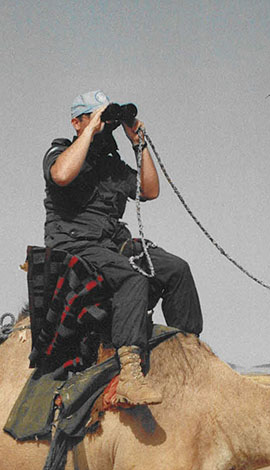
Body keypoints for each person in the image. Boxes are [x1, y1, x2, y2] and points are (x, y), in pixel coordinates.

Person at [42, 89, 203, 406]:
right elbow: (61, 175)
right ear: (77, 121)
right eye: (95, 116)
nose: (105, 125)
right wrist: (89, 130)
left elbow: (150, 191)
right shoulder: (60, 152)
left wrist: (137, 143)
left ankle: (186, 352)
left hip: (112, 242)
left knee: (176, 269)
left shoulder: (111, 164)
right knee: (132, 277)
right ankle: (130, 374)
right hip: (73, 244)